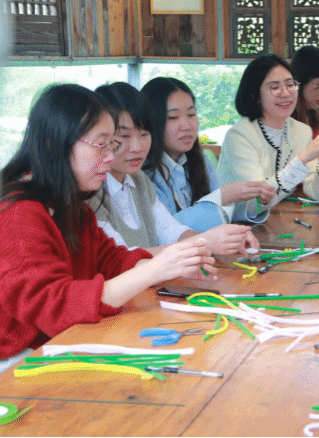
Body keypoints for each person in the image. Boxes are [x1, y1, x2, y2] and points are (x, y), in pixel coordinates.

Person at [0, 83, 217, 372]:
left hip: (57, 344)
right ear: (55, 143)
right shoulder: (18, 213)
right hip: (16, 362)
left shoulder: (69, 205)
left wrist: (169, 266)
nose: (110, 157)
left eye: (111, 145)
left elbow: (112, 260)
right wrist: (154, 269)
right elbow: (56, 307)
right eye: (101, 145)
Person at [91, 82, 258, 256]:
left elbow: (170, 231)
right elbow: (119, 258)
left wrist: (223, 239)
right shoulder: (90, 194)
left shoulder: (139, 180)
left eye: (144, 134)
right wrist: (206, 242)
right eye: (124, 136)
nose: (137, 147)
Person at [141, 77, 275, 232]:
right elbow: (165, 231)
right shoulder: (143, 175)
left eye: (191, 114)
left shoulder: (200, 160)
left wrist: (256, 201)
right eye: (173, 117)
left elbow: (222, 212)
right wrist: (222, 197)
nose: (187, 126)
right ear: (150, 122)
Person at [216, 54, 319, 208]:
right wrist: (301, 159)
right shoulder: (239, 136)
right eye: (274, 88)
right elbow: (258, 201)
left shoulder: (302, 131)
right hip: (232, 220)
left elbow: (318, 194)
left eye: (290, 85)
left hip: (275, 218)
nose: (286, 93)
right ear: (256, 95)